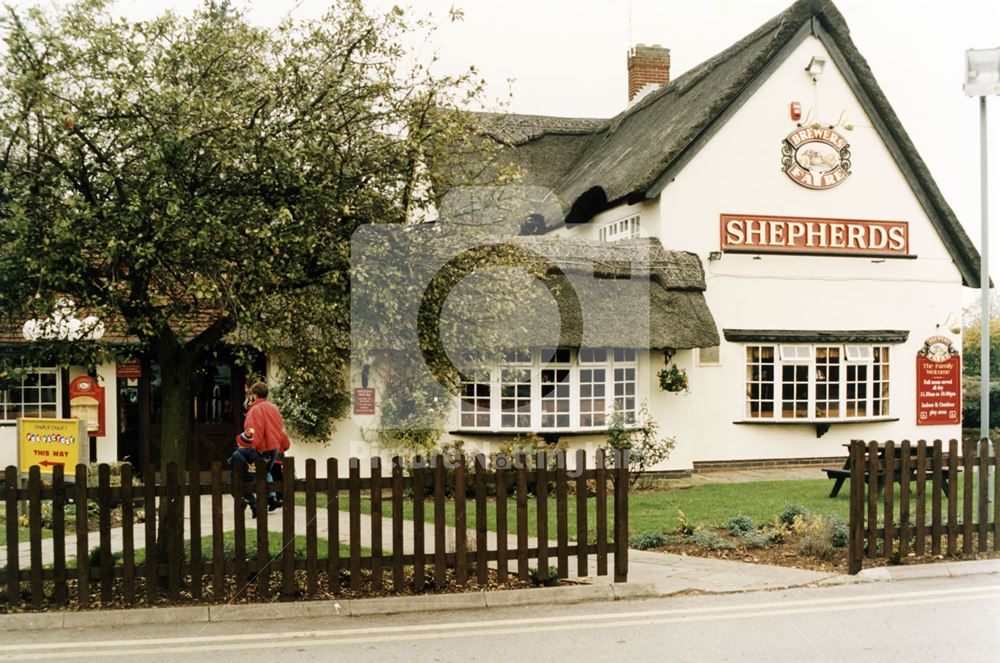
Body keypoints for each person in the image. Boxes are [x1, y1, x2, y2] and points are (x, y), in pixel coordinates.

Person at [243, 381, 291, 512]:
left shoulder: (255, 410)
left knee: (251, 472)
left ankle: (257, 499)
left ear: (254, 394)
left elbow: (254, 430)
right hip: (274, 447)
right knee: (266, 472)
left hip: (262, 447)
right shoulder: (273, 408)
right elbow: (279, 428)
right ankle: (272, 498)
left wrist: (249, 446)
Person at [226, 428, 260, 517]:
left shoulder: (236, 454)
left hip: (239, 477)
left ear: (239, 443)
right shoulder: (253, 452)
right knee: (248, 492)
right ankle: (255, 506)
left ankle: (243, 500)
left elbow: (229, 463)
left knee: (233, 489)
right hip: (251, 476)